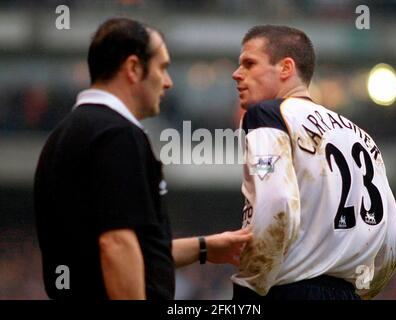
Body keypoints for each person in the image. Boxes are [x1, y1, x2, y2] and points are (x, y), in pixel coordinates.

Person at [34, 17, 252, 300]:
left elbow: (130, 248)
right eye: (162, 68)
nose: (169, 82)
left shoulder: (64, 134)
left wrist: (205, 248)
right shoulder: (117, 135)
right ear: (134, 68)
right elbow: (116, 245)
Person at [230, 25, 396, 300]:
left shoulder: (268, 115)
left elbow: (276, 202)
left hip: (288, 290)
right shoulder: (362, 137)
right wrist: (360, 293)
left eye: (249, 63)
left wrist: (248, 287)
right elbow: (395, 244)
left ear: (286, 68)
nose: (236, 74)